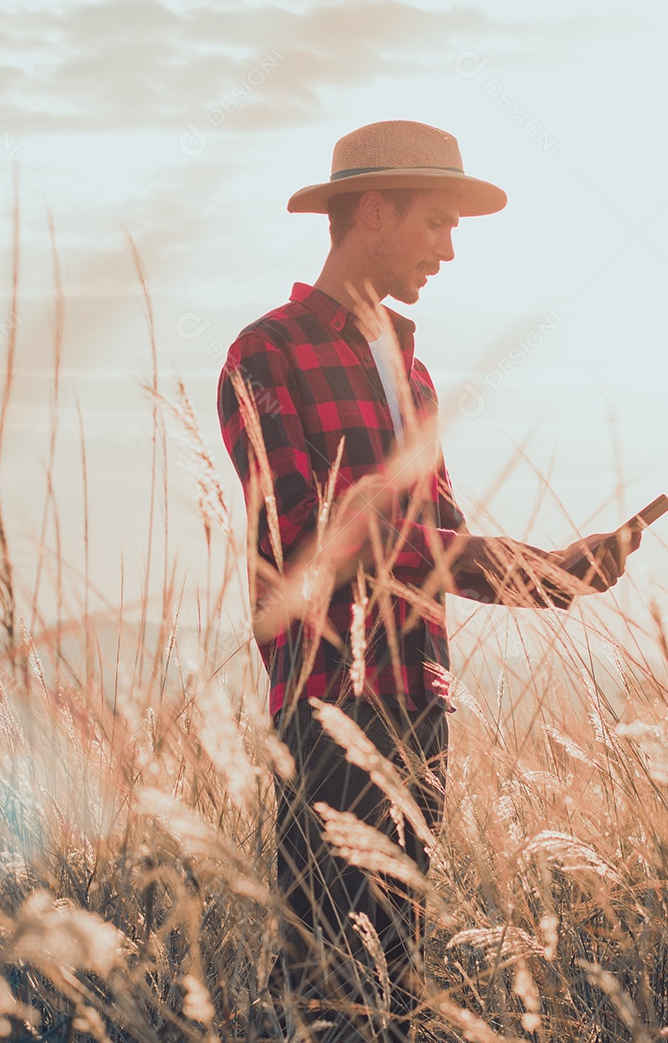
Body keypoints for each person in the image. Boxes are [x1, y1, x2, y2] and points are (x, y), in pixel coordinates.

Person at [216, 119, 637, 1041]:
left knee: (396, 987)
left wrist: (552, 575)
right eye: (437, 224)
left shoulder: (413, 373)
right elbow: (307, 539)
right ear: (373, 212)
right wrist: (483, 560)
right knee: (327, 986)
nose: (450, 250)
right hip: (327, 706)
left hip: (419, 703)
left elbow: (434, 539)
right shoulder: (266, 354)